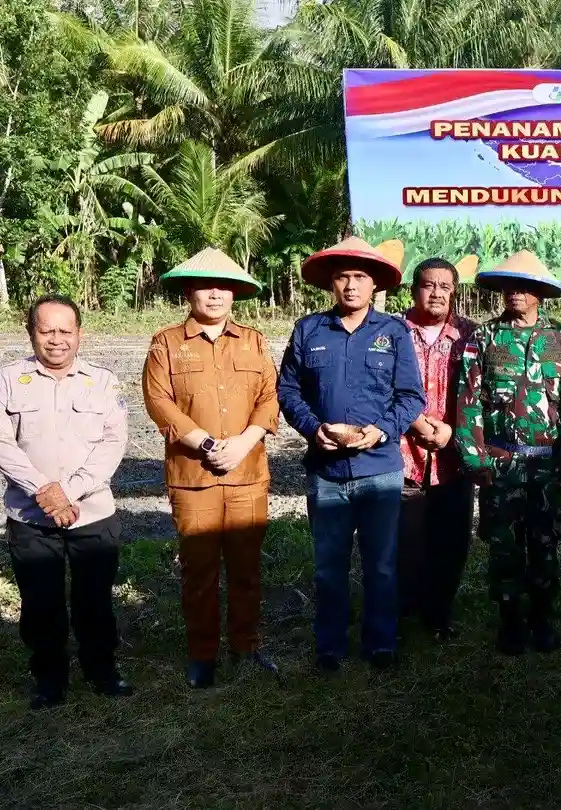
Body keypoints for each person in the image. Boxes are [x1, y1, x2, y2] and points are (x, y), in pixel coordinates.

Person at [278, 236, 424, 672]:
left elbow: (410, 397)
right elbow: (287, 389)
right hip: (326, 471)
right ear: (331, 284)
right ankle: (330, 645)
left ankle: (380, 642)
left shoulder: (393, 332)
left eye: (360, 277)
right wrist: (312, 427)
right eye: (342, 277)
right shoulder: (309, 330)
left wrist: (380, 432)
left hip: (380, 470)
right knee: (328, 565)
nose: (351, 285)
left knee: (380, 565)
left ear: (375, 284)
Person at [143, 248, 280, 689]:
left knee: (246, 568)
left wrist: (243, 443)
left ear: (235, 294)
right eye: (206, 285)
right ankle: (202, 654)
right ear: (189, 290)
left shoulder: (255, 340)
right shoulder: (166, 342)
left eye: (224, 286)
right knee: (199, 571)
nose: (215, 293)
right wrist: (203, 442)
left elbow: (269, 397)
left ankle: (247, 644)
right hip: (194, 479)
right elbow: (158, 401)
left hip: (248, 473)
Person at [0, 294, 129, 709]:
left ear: (80, 334)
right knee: (40, 604)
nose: (56, 340)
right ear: (31, 332)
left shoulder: (102, 381)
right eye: (46, 330)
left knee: (95, 600)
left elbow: (113, 443)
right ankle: (49, 680)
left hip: (92, 513)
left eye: (65, 331)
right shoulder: (7, 380)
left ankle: (102, 671)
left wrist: (67, 492)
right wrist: (44, 490)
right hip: (30, 516)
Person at [455, 251, 561, 655]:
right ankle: (509, 622)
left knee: (544, 541)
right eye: (509, 286)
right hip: (501, 460)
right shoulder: (483, 339)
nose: (515, 294)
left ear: (541, 292)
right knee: (504, 546)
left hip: (545, 461)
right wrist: (475, 459)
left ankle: (542, 618)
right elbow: (468, 400)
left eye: (524, 286)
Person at [396, 257, 476, 640]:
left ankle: (439, 613)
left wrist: (452, 432)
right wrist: (414, 421)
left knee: (450, 540)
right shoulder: (390, 332)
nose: (437, 293)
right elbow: (377, 387)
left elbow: (486, 394)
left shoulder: (471, 336)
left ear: (454, 292)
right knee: (402, 540)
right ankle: (401, 612)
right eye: (429, 285)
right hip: (401, 455)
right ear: (414, 290)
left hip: (453, 456)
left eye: (445, 287)